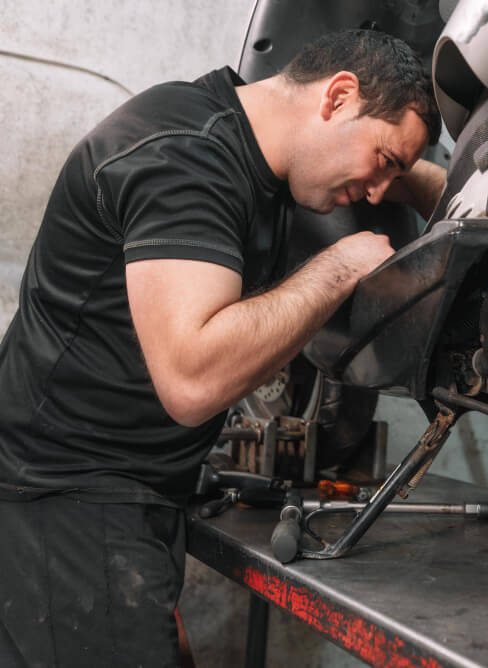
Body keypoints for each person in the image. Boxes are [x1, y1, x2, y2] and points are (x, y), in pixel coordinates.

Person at [0, 29, 445, 667]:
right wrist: (341, 266)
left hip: (100, 494)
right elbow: (193, 383)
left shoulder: (234, 137)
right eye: (384, 161)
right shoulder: (187, 162)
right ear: (338, 96)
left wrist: (447, 191)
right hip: (70, 501)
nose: (378, 193)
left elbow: (386, 168)